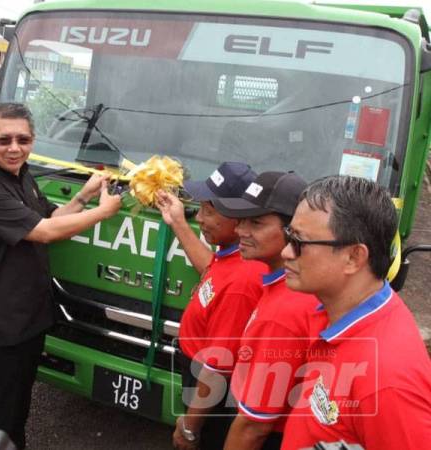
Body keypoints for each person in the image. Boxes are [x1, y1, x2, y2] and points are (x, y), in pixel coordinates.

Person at [0, 103, 121, 449]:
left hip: (30, 317)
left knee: (18, 409)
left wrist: (84, 196)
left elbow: (52, 216)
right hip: (2, 323)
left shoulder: (22, 175)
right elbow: (43, 232)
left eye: (23, 139)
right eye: (5, 140)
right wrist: (103, 212)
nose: (14, 148)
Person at [279, 175, 431, 450]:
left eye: (299, 242)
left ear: (354, 258)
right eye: (288, 236)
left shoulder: (387, 381)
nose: (286, 252)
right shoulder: (334, 314)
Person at [156, 162, 267, 450]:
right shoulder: (232, 253)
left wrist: (190, 428)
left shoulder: (243, 283)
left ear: (239, 219)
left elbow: (216, 369)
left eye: (209, 210)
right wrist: (178, 222)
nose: (200, 218)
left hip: (209, 388)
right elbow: (212, 271)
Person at [215, 171, 318, 450]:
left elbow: (254, 427)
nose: (240, 231)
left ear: (292, 231)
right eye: (242, 220)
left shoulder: (285, 310)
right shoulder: (285, 283)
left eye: (256, 223)